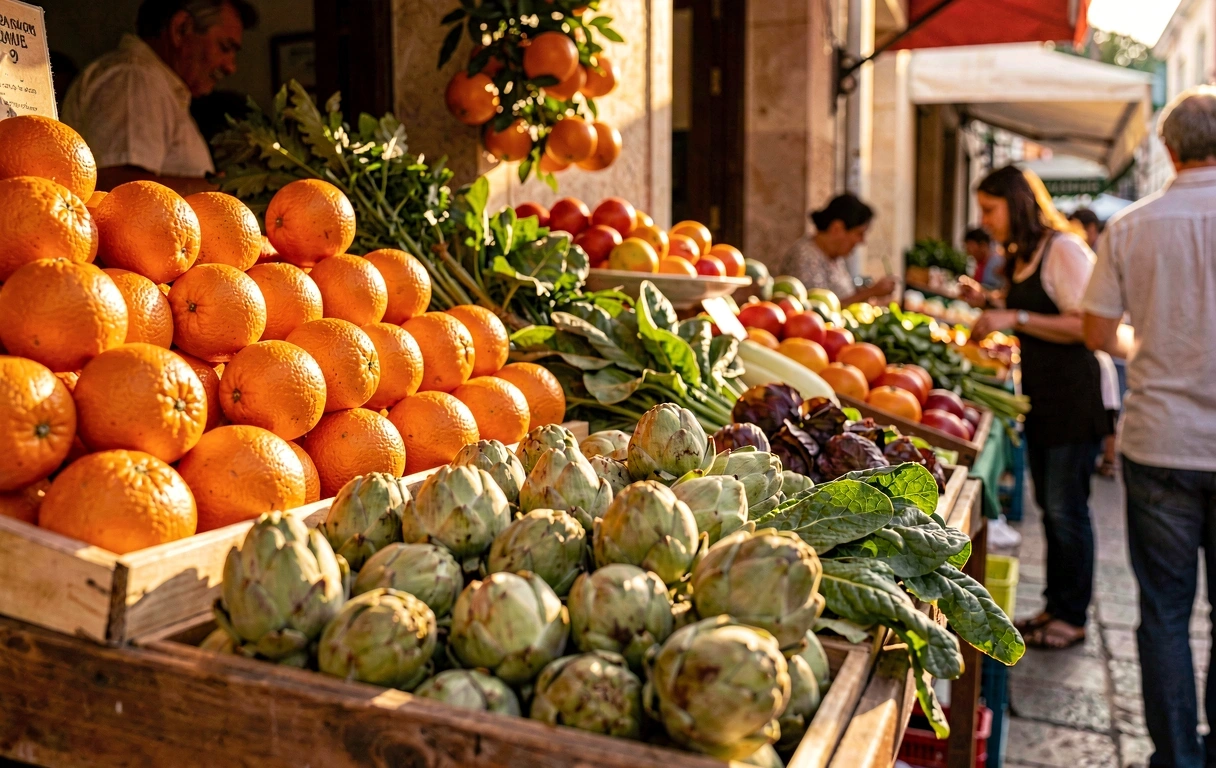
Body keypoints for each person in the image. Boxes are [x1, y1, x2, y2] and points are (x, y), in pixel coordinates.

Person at [1083, 86, 1216, 768]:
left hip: (1161, 439)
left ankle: (1176, 758)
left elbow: (1097, 331)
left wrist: (1150, 344)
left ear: (1167, 148)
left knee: (1164, 612)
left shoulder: (1131, 227)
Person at [966, 165, 1110, 650]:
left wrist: (1016, 316)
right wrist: (996, 309)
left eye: (990, 209)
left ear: (1017, 203)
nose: (984, 220)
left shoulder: (1064, 248)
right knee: (1052, 509)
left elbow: (1088, 326)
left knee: (1067, 510)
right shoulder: (1023, 254)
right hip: (1044, 399)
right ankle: (1055, 605)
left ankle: (1072, 616)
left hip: (1075, 399)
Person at [61, 0, 258, 195]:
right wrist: (227, 186)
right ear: (181, 28)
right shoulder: (135, 78)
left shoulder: (155, 85)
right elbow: (117, 189)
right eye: (225, 47)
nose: (230, 67)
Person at [771, 194, 897, 305]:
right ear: (837, 228)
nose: (862, 241)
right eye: (859, 234)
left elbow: (843, 295)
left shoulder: (834, 257)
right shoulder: (805, 256)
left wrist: (871, 292)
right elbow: (818, 308)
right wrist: (871, 292)